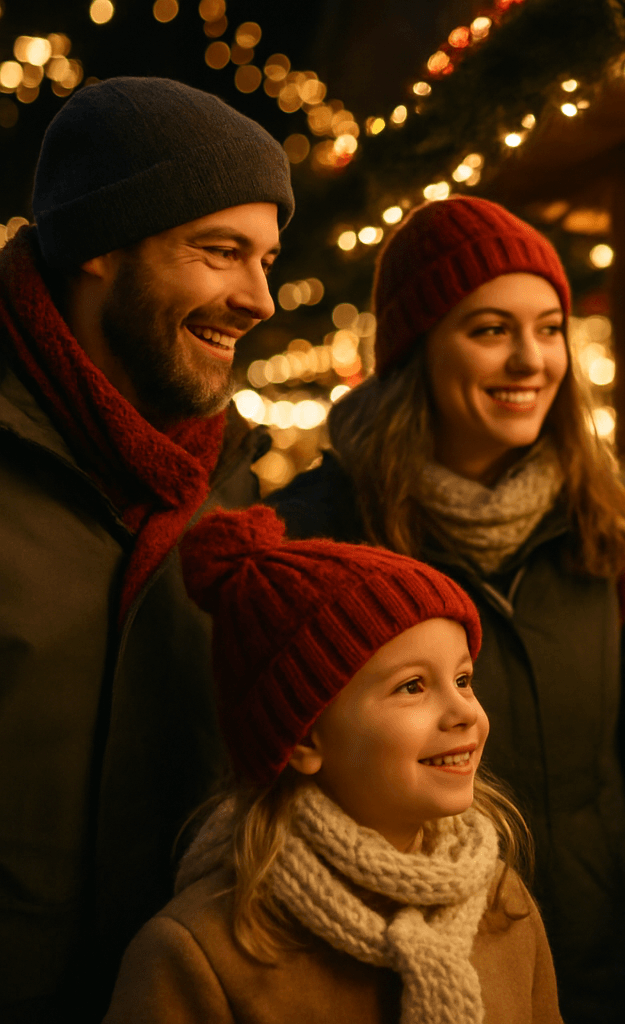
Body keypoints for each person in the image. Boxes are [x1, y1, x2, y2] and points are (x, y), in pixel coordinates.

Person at [270, 195, 625, 1023]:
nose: (530, 361)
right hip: (392, 963)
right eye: (490, 329)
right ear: (416, 349)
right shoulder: (322, 531)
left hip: (598, 957)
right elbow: (272, 782)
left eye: (549, 329)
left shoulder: (608, 512)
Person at [0, 77, 293, 1020]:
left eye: (267, 259)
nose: (260, 298)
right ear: (98, 247)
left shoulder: (228, 488)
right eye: (221, 252)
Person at [102, 505, 563, 1024]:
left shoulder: (503, 903)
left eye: (463, 679)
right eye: (413, 686)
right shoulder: (199, 953)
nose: (465, 713)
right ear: (302, 738)